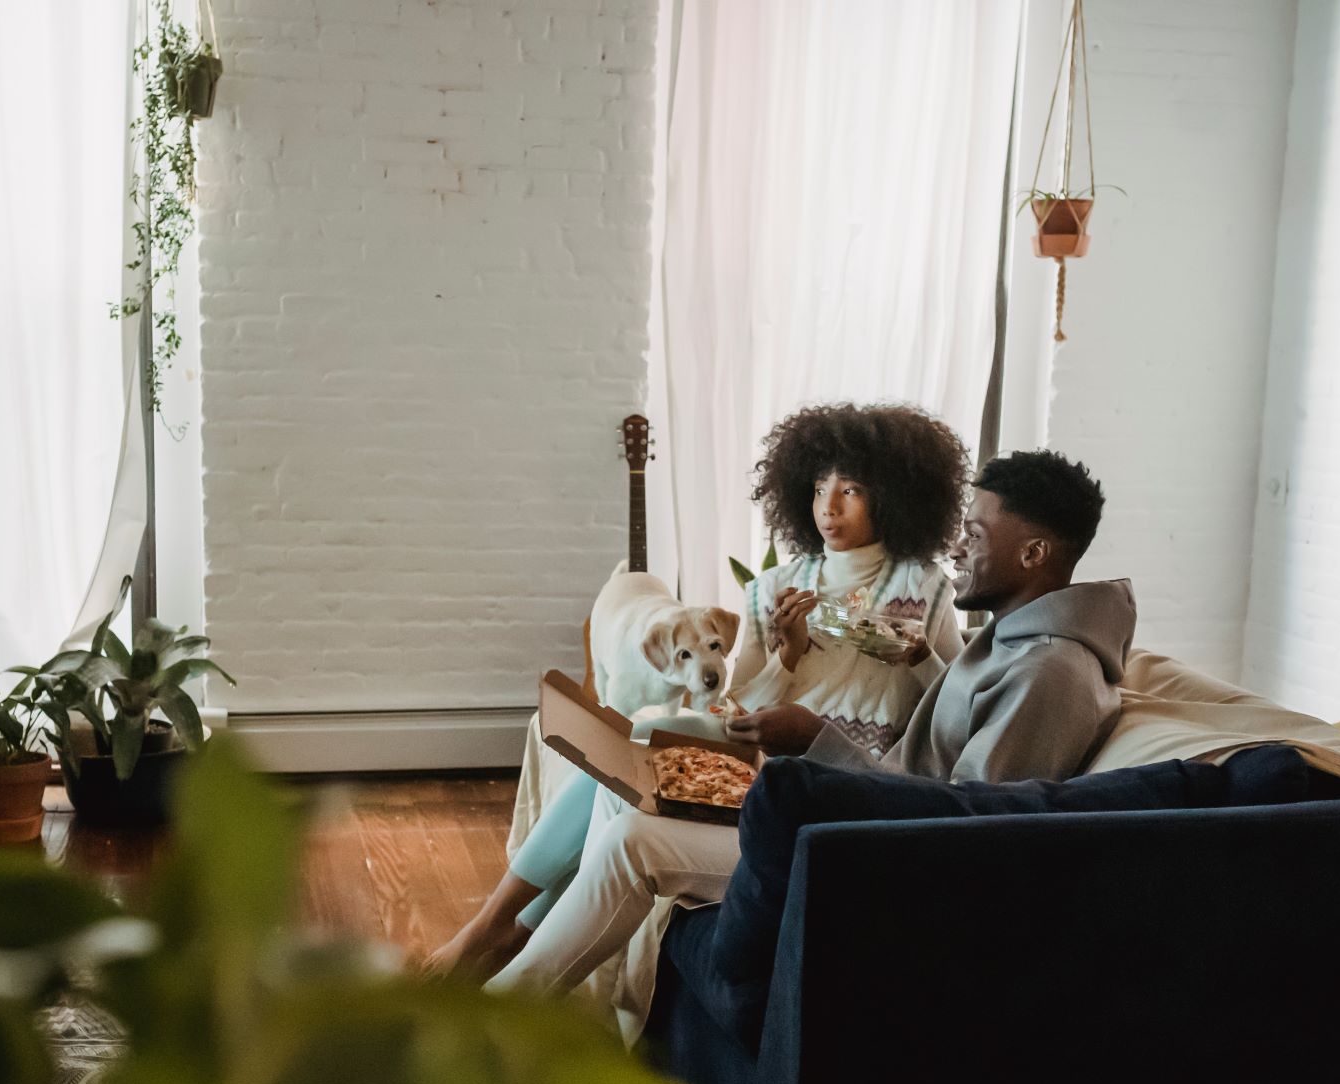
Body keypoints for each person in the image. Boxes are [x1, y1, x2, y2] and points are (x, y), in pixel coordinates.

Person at [485, 449, 1135, 1037]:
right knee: (635, 783)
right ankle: (515, 978)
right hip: (843, 808)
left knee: (634, 824)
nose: (958, 549)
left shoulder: (1049, 672)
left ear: (1033, 554)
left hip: (863, 850)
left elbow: (963, 829)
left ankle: (497, 1011)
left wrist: (815, 738)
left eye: (975, 533)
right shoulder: (1012, 637)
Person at [423, 402, 970, 979]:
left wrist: (917, 656)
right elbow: (739, 706)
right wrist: (787, 656)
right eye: (817, 489)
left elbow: (956, 706)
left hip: (842, 781)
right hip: (755, 759)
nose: (828, 508)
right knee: (630, 742)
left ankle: (510, 928)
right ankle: (497, 925)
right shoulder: (772, 590)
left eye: (851, 490)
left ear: (892, 495)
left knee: (626, 766)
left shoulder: (926, 591)